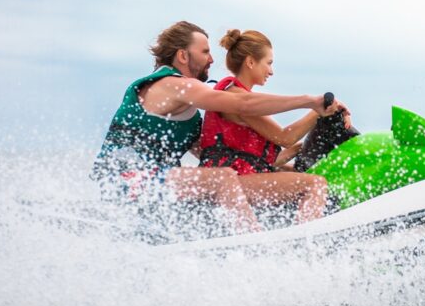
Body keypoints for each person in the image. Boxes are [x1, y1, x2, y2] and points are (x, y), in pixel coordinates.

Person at [92, 21, 347, 234]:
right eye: (204, 52)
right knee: (223, 177)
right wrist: (310, 102)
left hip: (159, 186)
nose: (212, 59)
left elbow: (210, 154)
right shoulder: (172, 84)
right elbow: (242, 103)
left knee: (226, 174)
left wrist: (284, 161)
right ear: (183, 55)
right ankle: (256, 244)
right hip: (124, 180)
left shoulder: (189, 114)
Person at [198, 29, 350, 224]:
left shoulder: (240, 95)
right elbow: (284, 137)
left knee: (301, 175)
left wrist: (307, 147)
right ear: (251, 62)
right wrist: (318, 111)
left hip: (240, 177)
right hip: (228, 183)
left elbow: (261, 158)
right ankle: (305, 243)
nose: (271, 71)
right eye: (268, 63)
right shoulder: (235, 97)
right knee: (314, 184)